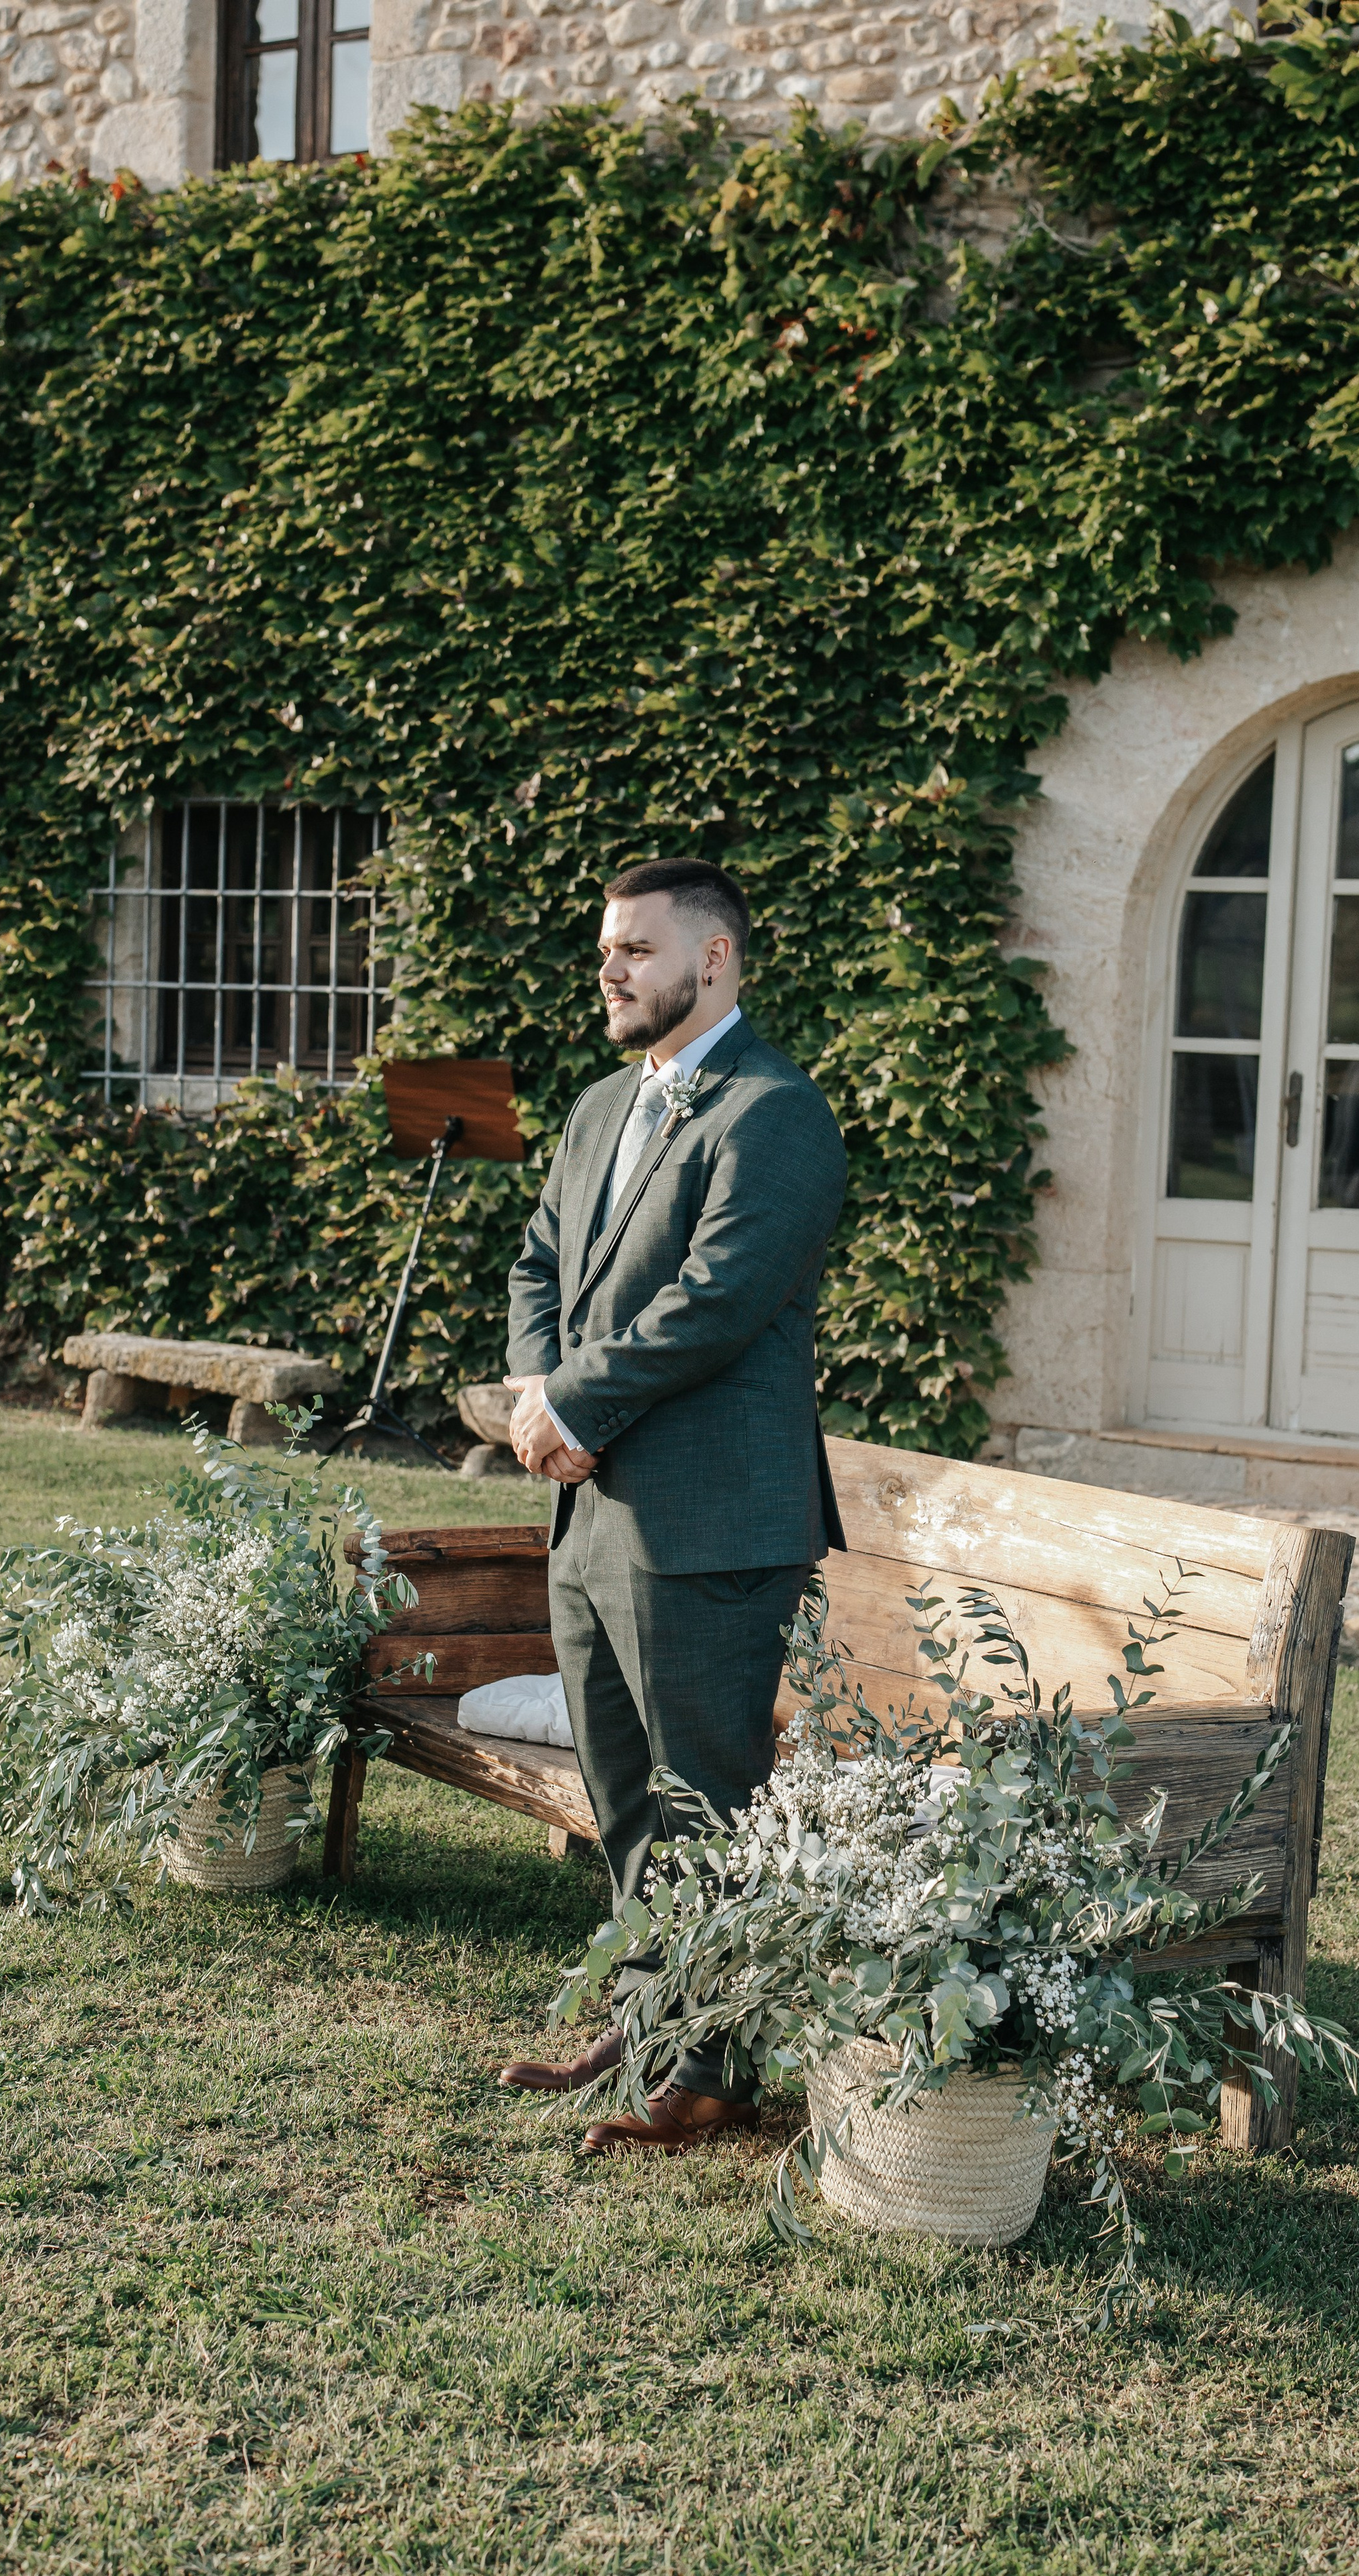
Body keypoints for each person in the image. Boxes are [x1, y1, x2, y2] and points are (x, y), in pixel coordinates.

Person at [496, 856, 848, 2153]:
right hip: (589, 1511)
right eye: (606, 950)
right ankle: (649, 2020)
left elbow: (714, 1302)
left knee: (710, 1800)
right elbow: (542, 1259)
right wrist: (545, 1388)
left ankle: (717, 2067)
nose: (610, 971)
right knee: (626, 1793)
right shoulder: (600, 1107)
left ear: (714, 962)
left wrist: (575, 1409)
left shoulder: (777, 1114)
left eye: (636, 950)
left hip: (709, 1521)